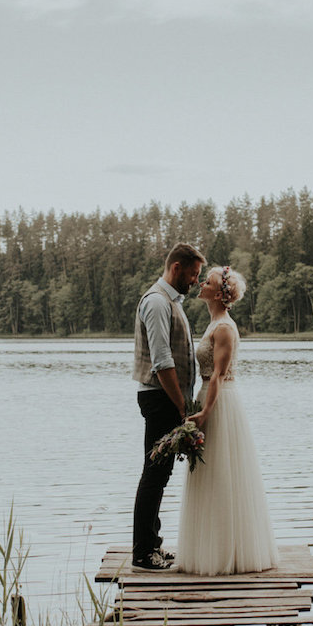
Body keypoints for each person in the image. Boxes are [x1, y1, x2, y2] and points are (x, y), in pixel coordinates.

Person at [177, 265, 278, 575]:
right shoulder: (213, 324)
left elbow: (219, 375)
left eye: (206, 282)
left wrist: (206, 412)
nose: (200, 284)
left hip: (219, 404)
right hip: (208, 397)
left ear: (219, 294)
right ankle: (207, 549)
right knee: (209, 476)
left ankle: (228, 553)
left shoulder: (225, 328)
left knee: (223, 473)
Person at [131, 242, 206, 570]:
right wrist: (181, 408)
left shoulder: (171, 302)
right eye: (193, 274)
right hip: (161, 398)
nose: (195, 281)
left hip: (166, 398)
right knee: (154, 473)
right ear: (176, 268)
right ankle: (144, 553)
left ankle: (153, 545)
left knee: (159, 473)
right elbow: (162, 363)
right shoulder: (158, 303)